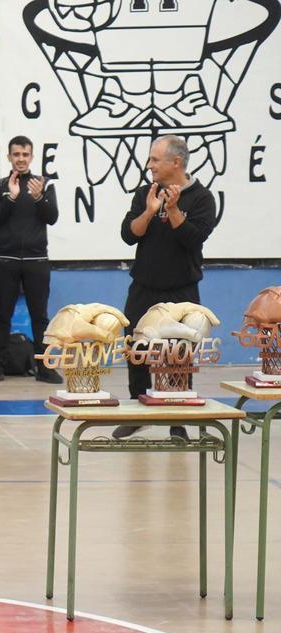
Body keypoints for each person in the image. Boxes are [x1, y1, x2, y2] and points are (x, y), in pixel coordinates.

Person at [111, 134, 216, 439]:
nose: (150, 165)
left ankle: (177, 420)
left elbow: (193, 238)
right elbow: (129, 234)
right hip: (144, 285)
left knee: (178, 355)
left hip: (181, 291)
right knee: (136, 349)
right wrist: (149, 210)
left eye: (155, 159)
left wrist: (172, 211)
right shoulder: (146, 191)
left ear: (176, 162)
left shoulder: (201, 198)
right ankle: (137, 409)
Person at [0, 135, 62, 384]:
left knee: (39, 316)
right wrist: (12, 198)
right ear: (9, 157)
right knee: (2, 315)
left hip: (36, 260)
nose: (20, 159)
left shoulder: (44, 184)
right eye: (16, 154)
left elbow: (52, 217)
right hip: (6, 260)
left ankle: (44, 367)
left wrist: (39, 198)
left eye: (25, 154)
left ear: (31, 157)